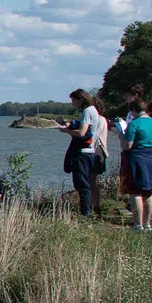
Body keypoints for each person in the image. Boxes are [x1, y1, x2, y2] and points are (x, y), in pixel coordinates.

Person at [61, 88, 109, 216]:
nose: (73, 103)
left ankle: (85, 213)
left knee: (82, 184)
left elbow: (82, 133)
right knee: (85, 183)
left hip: (83, 152)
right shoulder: (93, 111)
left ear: (81, 99)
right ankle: (88, 210)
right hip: (90, 151)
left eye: (73, 100)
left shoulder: (87, 111)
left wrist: (66, 131)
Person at [122, 101, 152, 229]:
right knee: (148, 191)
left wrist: (120, 136)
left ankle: (138, 224)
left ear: (133, 109)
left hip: (136, 157)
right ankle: (147, 223)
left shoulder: (134, 124)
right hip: (150, 156)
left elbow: (127, 146)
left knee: (135, 192)